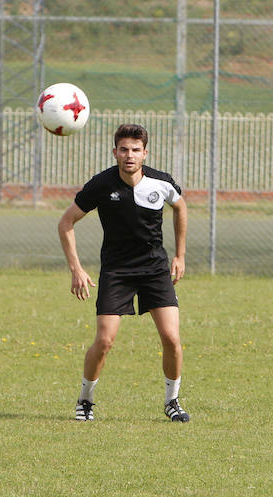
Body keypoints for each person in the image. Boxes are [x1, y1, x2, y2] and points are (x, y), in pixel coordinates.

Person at [57, 123, 189, 423]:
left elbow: (180, 208)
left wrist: (180, 255)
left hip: (155, 269)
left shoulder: (161, 182)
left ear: (145, 153)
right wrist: (76, 268)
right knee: (104, 341)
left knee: (171, 338)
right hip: (117, 270)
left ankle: (172, 401)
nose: (129, 155)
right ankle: (85, 400)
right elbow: (66, 223)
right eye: (124, 149)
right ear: (115, 151)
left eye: (136, 150)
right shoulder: (101, 185)